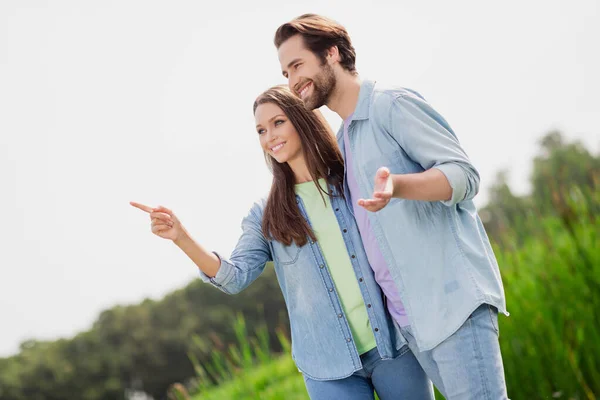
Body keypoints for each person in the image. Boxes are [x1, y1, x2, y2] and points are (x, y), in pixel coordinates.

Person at [131, 85, 434, 399]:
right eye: (261, 130)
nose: (269, 136)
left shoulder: (353, 181)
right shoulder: (267, 213)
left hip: (394, 345)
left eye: (278, 123)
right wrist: (181, 237)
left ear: (302, 119)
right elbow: (234, 277)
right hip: (326, 366)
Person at [274, 14, 510, 400]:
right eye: (285, 72)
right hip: (414, 323)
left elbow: (464, 175)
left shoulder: (390, 104)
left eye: (297, 65)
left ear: (331, 53)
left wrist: (399, 186)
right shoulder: (345, 138)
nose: (291, 80)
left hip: (451, 306)